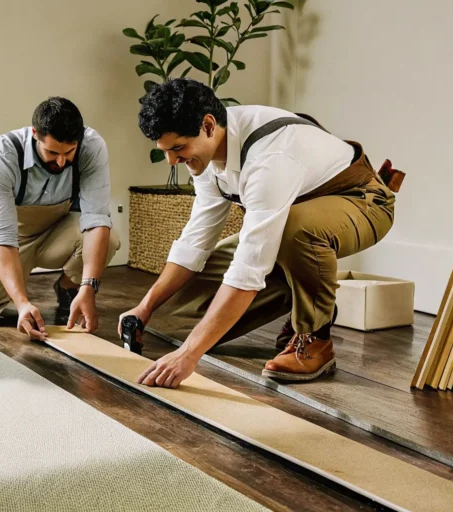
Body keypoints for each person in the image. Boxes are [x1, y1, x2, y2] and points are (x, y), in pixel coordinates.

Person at [119, 78, 395, 388]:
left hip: (362, 203)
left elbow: (249, 267)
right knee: (181, 317)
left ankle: (315, 337)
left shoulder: (270, 158)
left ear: (208, 125)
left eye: (178, 148)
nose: (172, 161)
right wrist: (145, 307)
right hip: (289, 217)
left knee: (294, 230)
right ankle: (302, 292)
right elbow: (195, 241)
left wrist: (189, 355)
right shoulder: (207, 154)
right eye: (166, 151)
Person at [0, 97, 120, 340]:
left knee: (110, 237)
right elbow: (3, 237)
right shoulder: (2, 153)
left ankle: (69, 288)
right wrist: (22, 303)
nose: (61, 161)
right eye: (52, 152)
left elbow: (96, 220)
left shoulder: (92, 146)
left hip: (58, 232)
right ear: (35, 134)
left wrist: (88, 287)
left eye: (69, 152)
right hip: (11, 237)